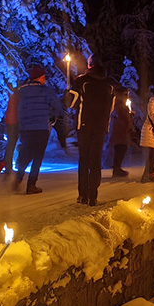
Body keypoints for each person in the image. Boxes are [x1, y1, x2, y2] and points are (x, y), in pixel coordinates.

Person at [65, 55, 119, 205]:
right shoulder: (110, 85)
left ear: (90, 65)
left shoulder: (81, 81)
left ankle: (83, 195)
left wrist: (68, 91)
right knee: (95, 159)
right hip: (100, 126)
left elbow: (70, 103)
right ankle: (93, 195)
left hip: (84, 125)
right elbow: (111, 107)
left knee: (84, 159)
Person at [14, 65, 62, 194]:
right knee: (38, 157)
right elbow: (57, 108)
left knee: (26, 153)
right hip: (41, 127)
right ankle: (31, 185)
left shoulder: (21, 91)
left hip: (25, 128)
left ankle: (18, 178)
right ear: (40, 77)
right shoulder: (46, 91)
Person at [107, 86, 133, 178]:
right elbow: (121, 116)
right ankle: (116, 168)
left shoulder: (120, 104)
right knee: (121, 147)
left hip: (119, 129)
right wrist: (126, 122)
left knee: (121, 148)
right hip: (120, 129)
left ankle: (117, 168)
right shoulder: (119, 104)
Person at [3, 83, 21, 176]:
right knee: (15, 144)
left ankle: (8, 166)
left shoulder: (10, 95)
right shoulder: (18, 96)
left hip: (10, 122)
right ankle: (15, 165)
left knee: (10, 145)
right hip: (15, 121)